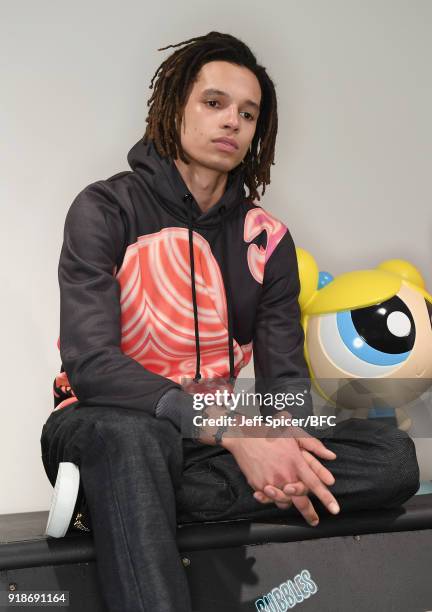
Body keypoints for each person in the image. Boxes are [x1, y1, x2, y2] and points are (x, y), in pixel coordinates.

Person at [40, 31, 420, 612]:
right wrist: (234, 431)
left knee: (393, 458)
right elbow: (92, 366)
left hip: (215, 442)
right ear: (174, 108)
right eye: (214, 103)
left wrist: (272, 439)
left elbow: (285, 390)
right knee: (131, 441)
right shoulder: (105, 208)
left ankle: (122, 502)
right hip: (105, 423)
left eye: (248, 113)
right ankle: (127, 487)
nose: (232, 123)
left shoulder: (268, 241)